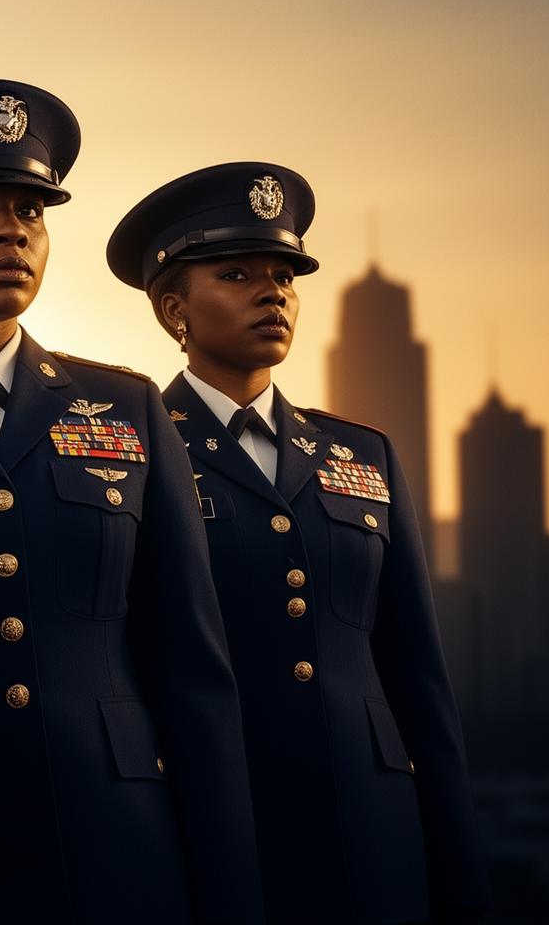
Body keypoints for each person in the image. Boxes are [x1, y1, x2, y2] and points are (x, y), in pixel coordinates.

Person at [0, 81, 263, 924]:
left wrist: (229, 889)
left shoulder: (129, 407)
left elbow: (191, 673)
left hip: (119, 848)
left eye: (32, 211)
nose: (11, 229)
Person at [107, 162, 490, 923]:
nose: (272, 292)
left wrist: (458, 870)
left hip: (376, 829)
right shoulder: (129, 452)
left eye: (285, 275)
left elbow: (418, 681)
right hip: (221, 824)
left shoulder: (362, 455)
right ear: (174, 307)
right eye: (238, 273)